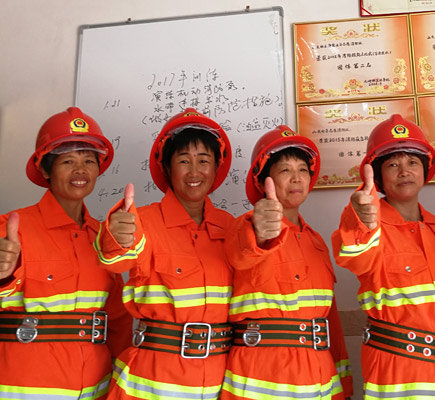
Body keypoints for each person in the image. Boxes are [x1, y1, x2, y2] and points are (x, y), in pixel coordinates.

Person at [332, 114, 435, 399]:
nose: (403, 171)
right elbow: (353, 254)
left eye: (412, 162)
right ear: (379, 176)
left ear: (425, 169)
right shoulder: (368, 227)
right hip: (401, 379)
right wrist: (359, 218)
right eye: (392, 164)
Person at [94, 108, 234, 399]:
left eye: (204, 161)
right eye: (184, 160)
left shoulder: (232, 228)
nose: (194, 171)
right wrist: (116, 236)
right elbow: (118, 257)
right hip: (154, 380)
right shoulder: (142, 221)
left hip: (220, 377)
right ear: (168, 168)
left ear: (217, 168)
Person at [0, 107, 131, 399]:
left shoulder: (102, 238)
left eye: (88, 160)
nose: (80, 170)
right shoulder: (12, 229)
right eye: (68, 161)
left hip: (92, 388)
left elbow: (118, 321)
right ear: (45, 169)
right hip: (25, 388)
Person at [220, 126, 353, 400]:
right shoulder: (244, 227)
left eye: (303, 170)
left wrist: (344, 384)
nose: (296, 179)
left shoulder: (316, 242)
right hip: (260, 377)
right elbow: (244, 251)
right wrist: (261, 231)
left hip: (319, 378)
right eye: (285, 170)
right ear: (263, 181)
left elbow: (330, 322)